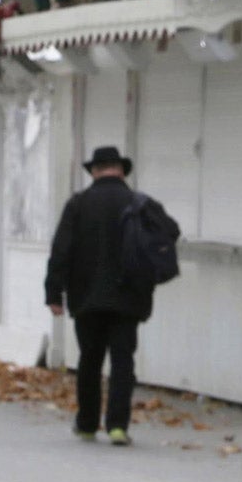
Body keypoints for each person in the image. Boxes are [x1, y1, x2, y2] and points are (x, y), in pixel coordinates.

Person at [45, 144, 160, 445]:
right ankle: (118, 426)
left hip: (87, 299)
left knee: (90, 361)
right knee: (123, 361)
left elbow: (61, 251)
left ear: (95, 171)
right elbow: (161, 243)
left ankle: (86, 424)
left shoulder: (79, 204)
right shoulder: (138, 204)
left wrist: (54, 293)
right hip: (128, 299)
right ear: (121, 170)